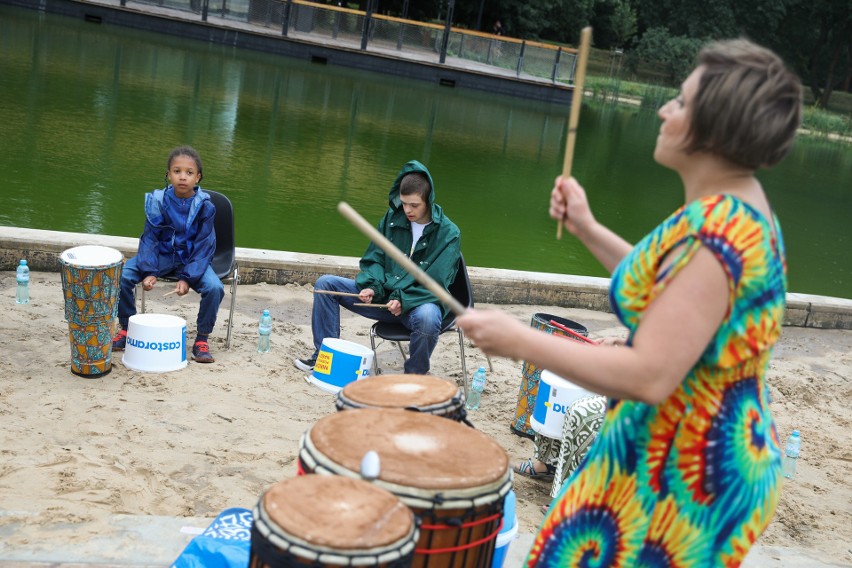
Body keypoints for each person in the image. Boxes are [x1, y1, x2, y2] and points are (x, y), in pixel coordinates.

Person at [458, 38, 801, 565]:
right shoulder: (729, 209)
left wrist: (522, 340)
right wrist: (587, 227)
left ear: (716, 128)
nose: (664, 110)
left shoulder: (719, 236)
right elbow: (672, 292)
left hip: (692, 468)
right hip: (680, 443)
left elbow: (649, 374)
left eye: (681, 102)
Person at [294, 160, 461, 376]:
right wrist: (372, 286)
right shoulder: (392, 220)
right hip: (383, 298)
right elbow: (374, 259)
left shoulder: (448, 233)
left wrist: (403, 300)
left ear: (428, 200)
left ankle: (415, 376)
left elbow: (436, 283)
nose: (407, 210)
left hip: (417, 306)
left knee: (429, 317)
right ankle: (325, 359)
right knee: (325, 284)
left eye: (414, 205)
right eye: (404, 203)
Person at [112, 146, 225, 363]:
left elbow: (204, 246)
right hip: (160, 256)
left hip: (192, 260)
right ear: (168, 174)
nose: (183, 177)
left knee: (214, 287)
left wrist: (187, 278)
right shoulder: (158, 201)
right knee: (122, 275)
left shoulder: (205, 207)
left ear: (198, 177)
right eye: (177, 171)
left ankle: (202, 339)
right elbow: (150, 238)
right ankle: (126, 329)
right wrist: (149, 270)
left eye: (189, 172)